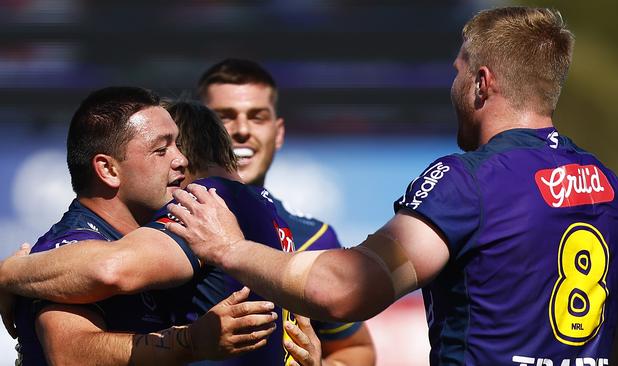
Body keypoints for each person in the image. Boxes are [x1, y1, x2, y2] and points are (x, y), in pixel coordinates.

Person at [163, 7, 618, 365]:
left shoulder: (468, 184)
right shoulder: (616, 192)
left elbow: (344, 289)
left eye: (457, 73)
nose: (452, 87)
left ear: (481, 84)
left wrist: (229, 247)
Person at [0, 97, 360, 365]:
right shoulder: (65, 253)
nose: (180, 159)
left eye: (179, 143)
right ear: (108, 170)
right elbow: (70, 354)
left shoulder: (202, 211)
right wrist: (188, 342)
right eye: (161, 149)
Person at [197, 58, 375, 365]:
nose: (241, 130)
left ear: (278, 133)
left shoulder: (314, 238)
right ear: (198, 132)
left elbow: (355, 349)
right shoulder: (164, 223)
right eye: (224, 117)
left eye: (257, 117)